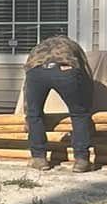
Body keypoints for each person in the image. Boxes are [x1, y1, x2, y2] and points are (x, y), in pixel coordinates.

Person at [24, 33, 96, 172]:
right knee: (78, 114)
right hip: (65, 69)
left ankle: (39, 158)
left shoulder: (38, 48)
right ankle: (81, 160)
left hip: (36, 71)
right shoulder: (72, 46)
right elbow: (85, 75)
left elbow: (27, 82)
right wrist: (86, 106)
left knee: (35, 114)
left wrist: (28, 114)